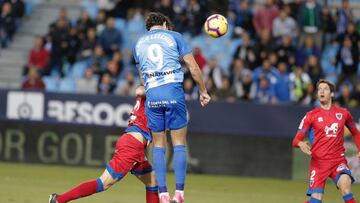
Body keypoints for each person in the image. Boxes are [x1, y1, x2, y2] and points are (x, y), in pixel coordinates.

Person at [134, 12, 210, 203]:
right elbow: (193, 67)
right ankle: (179, 194)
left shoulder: (139, 44)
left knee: (159, 145)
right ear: (165, 25)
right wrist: (203, 91)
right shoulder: (175, 36)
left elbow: (142, 77)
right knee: (179, 144)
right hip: (173, 93)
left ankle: (163, 194)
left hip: (153, 97)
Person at [48, 86, 159, 203]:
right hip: (132, 146)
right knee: (103, 183)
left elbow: (140, 90)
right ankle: (58, 200)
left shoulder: (150, 95)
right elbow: (140, 90)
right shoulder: (154, 93)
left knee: (152, 181)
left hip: (134, 144)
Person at [292, 79, 360, 203]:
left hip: (338, 161)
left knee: (345, 189)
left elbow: (355, 132)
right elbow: (295, 140)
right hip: (318, 163)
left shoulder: (343, 114)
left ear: (332, 94)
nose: (321, 91)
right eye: (319, 89)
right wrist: (300, 143)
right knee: (316, 200)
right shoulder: (310, 115)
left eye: (325, 89)